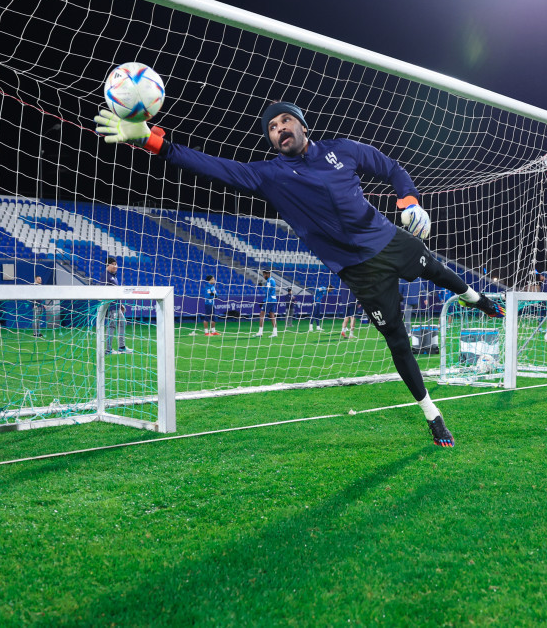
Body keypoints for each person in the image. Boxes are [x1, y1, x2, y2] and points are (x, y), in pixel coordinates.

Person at [95, 101, 505, 447]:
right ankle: (433, 416)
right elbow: (213, 166)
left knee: (442, 273)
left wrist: (409, 199)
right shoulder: (269, 175)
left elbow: (391, 168)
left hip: (389, 239)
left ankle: (479, 299)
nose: (279, 129)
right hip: (360, 273)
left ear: (303, 125)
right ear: (271, 139)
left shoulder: (342, 150)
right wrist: (153, 141)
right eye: (272, 127)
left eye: (285, 120)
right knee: (397, 341)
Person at [101, 257, 131, 353]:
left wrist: (120, 304)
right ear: (108, 265)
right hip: (111, 306)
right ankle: (108, 349)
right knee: (111, 326)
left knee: (122, 322)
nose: (116, 266)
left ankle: (121, 347)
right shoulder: (106, 276)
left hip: (116, 305)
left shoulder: (114, 276)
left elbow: (115, 292)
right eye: (113, 264)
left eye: (116, 264)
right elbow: (104, 292)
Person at [255, 269, 278, 337]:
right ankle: (275, 332)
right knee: (272, 315)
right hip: (273, 300)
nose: (263, 276)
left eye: (264, 275)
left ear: (267, 274)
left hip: (269, 300)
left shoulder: (269, 280)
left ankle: (260, 332)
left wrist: (262, 286)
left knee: (262, 314)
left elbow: (267, 290)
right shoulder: (272, 280)